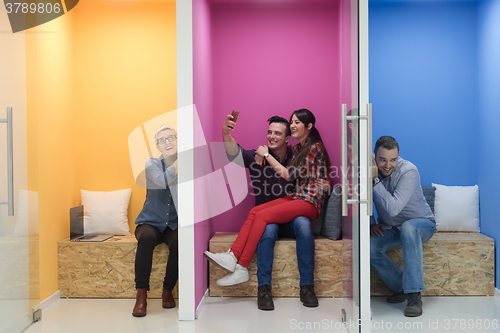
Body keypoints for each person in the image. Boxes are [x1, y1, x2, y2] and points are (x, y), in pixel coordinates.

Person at [204, 108, 330, 306]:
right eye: (270, 132)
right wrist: (226, 133)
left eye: (278, 133)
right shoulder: (283, 152)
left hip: (301, 206)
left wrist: (267, 155)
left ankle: (306, 287)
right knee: (260, 217)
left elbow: (290, 174)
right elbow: (234, 152)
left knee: (302, 226)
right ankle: (261, 287)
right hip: (287, 206)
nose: (272, 136)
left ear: (288, 138)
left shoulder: (306, 149)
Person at [370, 136, 435, 317]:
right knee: (368, 247)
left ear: (399, 155)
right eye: (382, 160)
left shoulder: (409, 171)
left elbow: (393, 208)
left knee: (409, 227)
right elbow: (363, 198)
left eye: (393, 159)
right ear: (375, 156)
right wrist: (371, 223)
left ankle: (414, 295)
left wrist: (374, 180)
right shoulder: (368, 167)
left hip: (422, 224)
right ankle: (401, 287)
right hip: (392, 228)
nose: (388, 165)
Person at [132, 125, 178, 317]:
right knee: (146, 239)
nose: (167, 142)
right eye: (162, 140)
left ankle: (167, 290)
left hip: (173, 223)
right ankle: (141, 295)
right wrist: (179, 164)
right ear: (158, 147)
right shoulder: (151, 164)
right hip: (150, 222)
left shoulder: (189, 165)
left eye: (171, 137)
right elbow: (162, 181)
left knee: (180, 242)